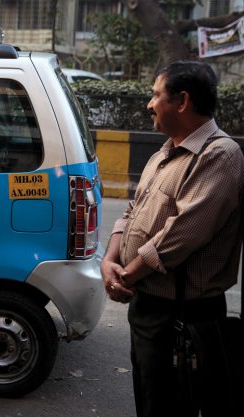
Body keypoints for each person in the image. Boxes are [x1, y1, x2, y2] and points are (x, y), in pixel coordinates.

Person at [100, 60, 244, 417]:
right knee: (150, 401)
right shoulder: (165, 153)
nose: (149, 104)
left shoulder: (220, 156)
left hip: (183, 314)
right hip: (148, 308)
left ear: (181, 101)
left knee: (173, 406)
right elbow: (132, 211)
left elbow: (182, 235)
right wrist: (109, 262)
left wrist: (127, 277)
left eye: (155, 95)